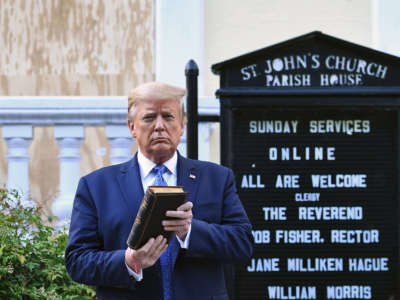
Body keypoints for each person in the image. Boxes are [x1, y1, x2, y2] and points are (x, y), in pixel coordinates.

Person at [65, 81, 253, 300]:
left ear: (182, 125)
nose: (159, 126)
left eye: (168, 116)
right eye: (149, 117)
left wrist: (190, 231)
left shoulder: (217, 178)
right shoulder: (97, 186)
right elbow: (77, 262)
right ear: (132, 127)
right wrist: (129, 261)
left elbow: (243, 243)